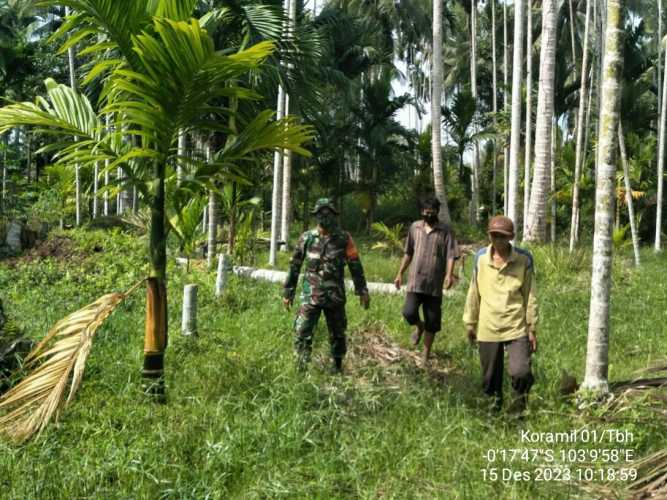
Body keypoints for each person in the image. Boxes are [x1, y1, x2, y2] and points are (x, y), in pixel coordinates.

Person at [283, 198, 370, 373]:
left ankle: (337, 367)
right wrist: (288, 292)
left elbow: (355, 264)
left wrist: (362, 290)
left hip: (334, 296)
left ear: (334, 214)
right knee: (303, 332)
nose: (325, 215)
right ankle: (301, 369)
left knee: (338, 334)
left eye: (328, 212)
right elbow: (295, 266)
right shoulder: (306, 238)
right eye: (321, 212)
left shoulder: (344, 238)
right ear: (315, 215)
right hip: (310, 295)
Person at [463, 215, 538, 415]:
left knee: (521, 372)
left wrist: (532, 328)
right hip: (488, 325)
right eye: (494, 235)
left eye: (502, 236)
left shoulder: (524, 259)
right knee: (490, 378)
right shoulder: (480, 258)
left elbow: (530, 295)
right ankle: (492, 412)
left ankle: (519, 408)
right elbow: (474, 292)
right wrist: (470, 323)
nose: (498, 240)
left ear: (511, 237)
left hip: (516, 325)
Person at [394, 196, 458, 365]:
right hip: (415, 280)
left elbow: (452, 254)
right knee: (408, 312)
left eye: (431, 212)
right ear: (421, 212)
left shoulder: (445, 231)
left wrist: (449, 275)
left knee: (432, 321)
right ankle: (418, 326)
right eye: (425, 211)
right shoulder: (415, 227)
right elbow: (408, 252)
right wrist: (400, 273)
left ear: (437, 211)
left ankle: (426, 353)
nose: (428, 214)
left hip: (434, 284)